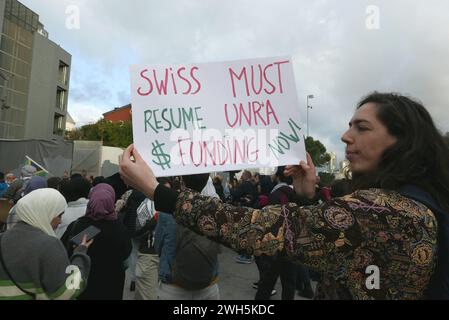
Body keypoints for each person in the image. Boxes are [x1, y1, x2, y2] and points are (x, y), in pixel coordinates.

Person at [119, 92, 449, 300]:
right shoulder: (405, 206)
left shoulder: (386, 213)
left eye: (362, 128)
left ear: (401, 140)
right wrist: (308, 198)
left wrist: (158, 192)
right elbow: (333, 239)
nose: (345, 135)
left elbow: (255, 229)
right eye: (350, 125)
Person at [0, 188, 92, 300]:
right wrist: (80, 255)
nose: (60, 221)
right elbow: (66, 292)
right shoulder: (49, 246)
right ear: (45, 213)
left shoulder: (2, 238)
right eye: (59, 215)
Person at [155, 174, 221, 300]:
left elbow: (158, 246)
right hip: (208, 285)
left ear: (182, 181)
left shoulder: (168, 209)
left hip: (173, 286)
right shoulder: (215, 210)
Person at [62, 183, 132, 300]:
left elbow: (66, 252)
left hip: (82, 285)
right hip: (111, 286)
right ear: (112, 200)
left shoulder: (77, 226)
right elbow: (126, 257)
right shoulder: (120, 229)